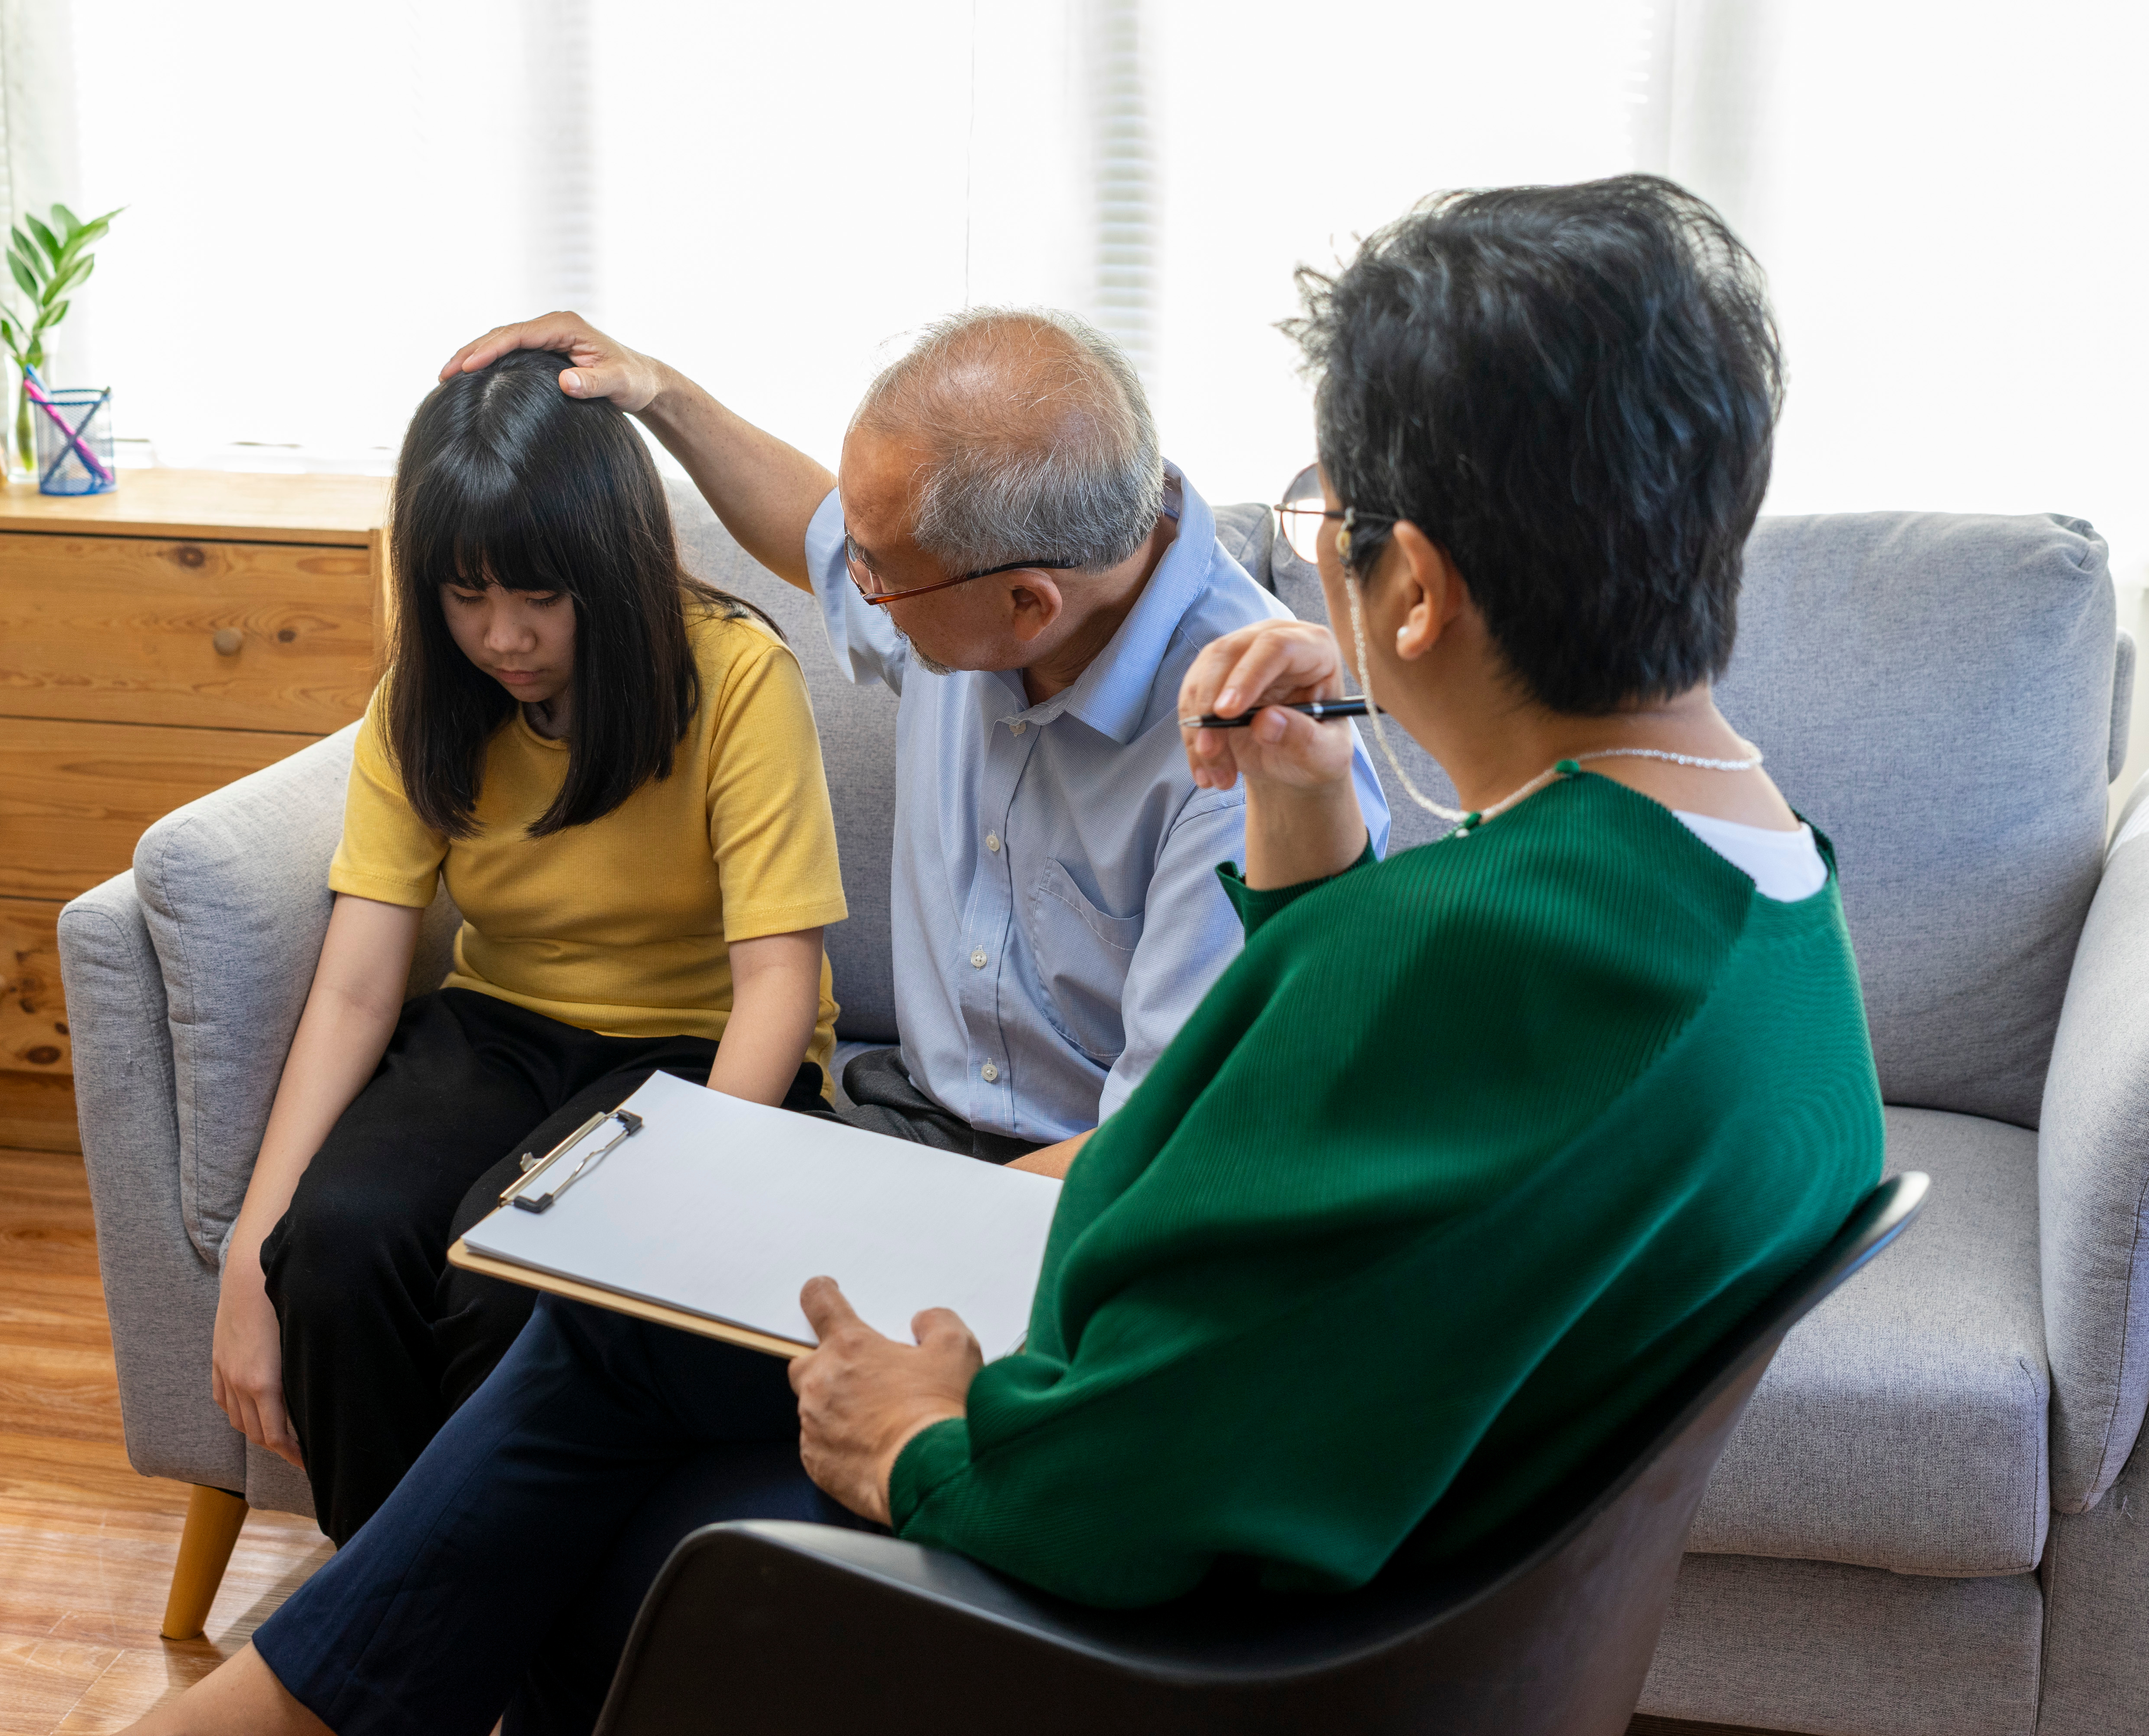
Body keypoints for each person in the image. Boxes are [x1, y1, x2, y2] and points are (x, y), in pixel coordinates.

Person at [126, 174, 1884, 1736]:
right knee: (606, 1328)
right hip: (1396, 1566)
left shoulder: (1451, 958)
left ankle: (280, 1708)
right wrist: (1310, 834)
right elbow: (1334, 1201)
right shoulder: (1770, 898)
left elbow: (1143, 1393)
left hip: (1218, 1629)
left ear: (1409, 587)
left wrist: (934, 1437)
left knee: (605, 1407)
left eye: (1323, 505)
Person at [436, 304, 1389, 1176]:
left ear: (1027, 606)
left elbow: (1171, 1143)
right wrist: (661, 393)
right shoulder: (984, 586)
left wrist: (904, 1235)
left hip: (1099, 1181)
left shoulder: (1250, 757)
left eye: (876, 572)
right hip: (913, 1122)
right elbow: (815, 533)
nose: (854, 587)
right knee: (596, 1277)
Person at [208, 348, 849, 1545]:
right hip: (502, 1029)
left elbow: (779, 981)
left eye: (539, 597)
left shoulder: (736, 677)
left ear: (606, 564)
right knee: (334, 1251)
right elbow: (357, 985)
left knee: (519, 1276)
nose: (502, 638)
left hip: (703, 1054)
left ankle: (514, 1643)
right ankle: (389, 1622)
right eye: (465, 596)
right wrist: (255, 1243)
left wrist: (681, 1185)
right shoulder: (425, 695)